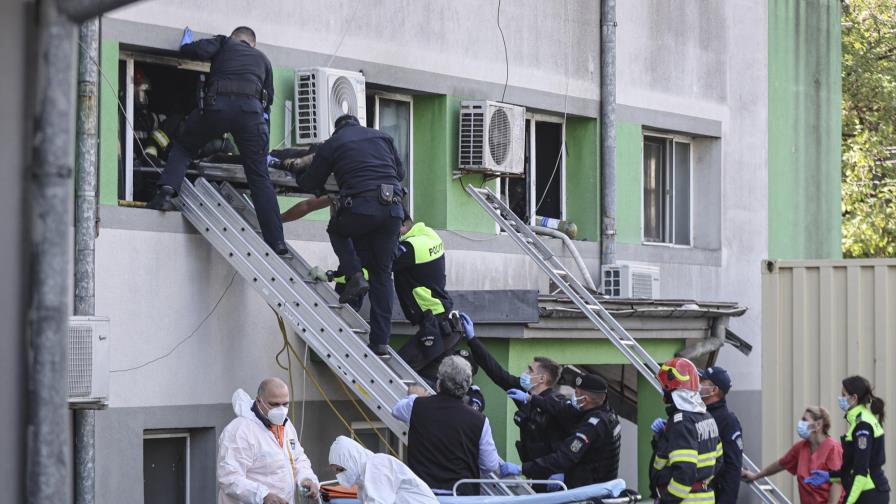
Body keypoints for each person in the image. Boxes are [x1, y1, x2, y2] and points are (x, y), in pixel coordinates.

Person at [147, 26, 286, 254]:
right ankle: (277, 241)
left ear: (234, 37)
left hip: (217, 108)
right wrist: (263, 147)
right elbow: (267, 102)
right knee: (259, 177)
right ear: (253, 44)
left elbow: (194, 51)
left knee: (184, 147)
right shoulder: (263, 60)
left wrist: (186, 45)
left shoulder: (224, 43)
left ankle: (165, 194)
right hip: (251, 116)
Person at [297, 114, 405, 357]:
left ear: (337, 129)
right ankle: (380, 342)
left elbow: (310, 182)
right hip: (393, 210)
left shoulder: (334, 143)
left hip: (361, 208)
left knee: (336, 229)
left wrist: (299, 173)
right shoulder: (383, 137)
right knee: (382, 274)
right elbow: (400, 173)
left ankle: (355, 275)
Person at [391, 355, 516, 495]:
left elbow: (396, 411)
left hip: (423, 494)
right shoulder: (480, 420)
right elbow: (490, 465)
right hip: (461, 495)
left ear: (439, 382)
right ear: (467, 386)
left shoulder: (416, 405)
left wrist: (414, 396)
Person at [458, 313, 567, 471]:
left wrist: (560, 472)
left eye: (530, 370)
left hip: (553, 473)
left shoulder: (556, 403)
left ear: (541, 379)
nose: (525, 373)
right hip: (533, 472)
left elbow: (564, 445)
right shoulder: (523, 394)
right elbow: (497, 373)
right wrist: (472, 339)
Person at [507, 373, 621, 489]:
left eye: (577, 393)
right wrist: (530, 398)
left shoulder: (593, 426)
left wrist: (520, 469)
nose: (574, 396)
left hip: (592, 489)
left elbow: (564, 457)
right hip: (590, 479)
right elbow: (560, 407)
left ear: (585, 399)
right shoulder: (604, 410)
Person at [217, 378, 319, 504]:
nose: (281, 410)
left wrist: (307, 479)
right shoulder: (240, 431)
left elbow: (297, 458)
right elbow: (229, 477)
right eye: (274, 404)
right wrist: (263, 496)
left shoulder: (286, 425)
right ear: (259, 401)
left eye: (285, 404)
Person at [393, 211, 461, 371]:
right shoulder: (430, 235)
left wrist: (345, 274)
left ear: (401, 226)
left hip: (435, 323)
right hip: (445, 321)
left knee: (397, 371)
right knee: (433, 378)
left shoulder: (410, 248)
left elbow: (379, 266)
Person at [805, 376, 889, 504]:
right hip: (870, 492)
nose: (840, 398)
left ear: (854, 398)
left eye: (843, 395)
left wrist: (848, 502)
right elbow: (853, 468)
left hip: (868, 494)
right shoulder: (862, 419)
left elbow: (861, 473)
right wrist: (829, 476)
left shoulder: (863, 426)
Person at [649, 357, 721, 503]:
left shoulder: (681, 423)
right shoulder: (707, 417)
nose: (663, 390)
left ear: (671, 388)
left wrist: (667, 501)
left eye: (664, 387)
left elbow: (685, 473)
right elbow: (718, 461)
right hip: (704, 497)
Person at [742, 406, 843, 504]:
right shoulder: (801, 447)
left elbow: (837, 483)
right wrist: (756, 476)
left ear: (818, 425)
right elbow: (780, 464)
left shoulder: (833, 449)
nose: (800, 423)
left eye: (805, 420)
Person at [328, 435, 438, 504]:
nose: (339, 476)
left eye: (341, 469)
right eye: (336, 472)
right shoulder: (363, 486)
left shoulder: (376, 465)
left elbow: (379, 501)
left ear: (352, 460)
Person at [698, 366, 744, 503]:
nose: (698, 384)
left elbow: (733, 468)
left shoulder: (728, 421)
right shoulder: (698, 414)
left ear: (714, 390)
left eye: (703, 382)